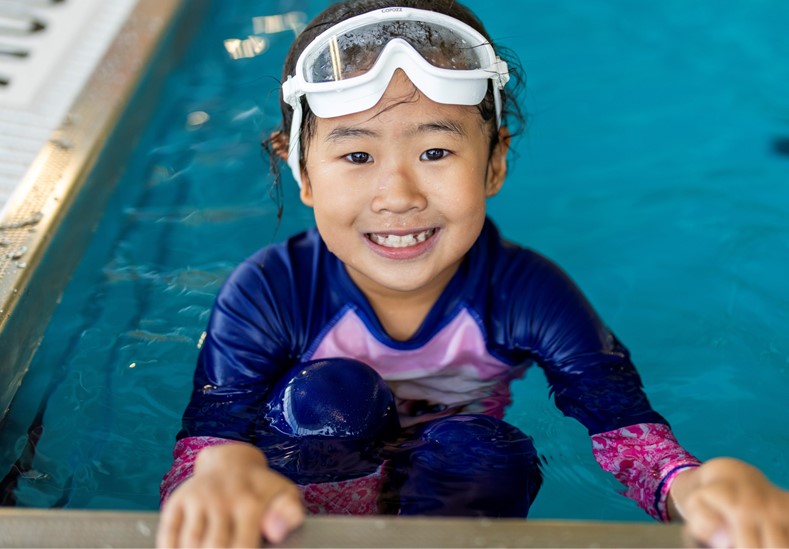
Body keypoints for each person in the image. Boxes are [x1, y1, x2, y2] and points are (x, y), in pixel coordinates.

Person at [156, 1, 789, 547]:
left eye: (435, 152)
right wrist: (220, 474)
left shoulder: (527, 293)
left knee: (487, 447)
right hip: (313, 489)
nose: (397, 194)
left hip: (455, 490)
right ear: (303, 174)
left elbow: (626, 432)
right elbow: (205, 442)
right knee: (330, 400)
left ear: (494, 164)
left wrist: (697, 483)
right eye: (355, 154)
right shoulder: (271, 290)